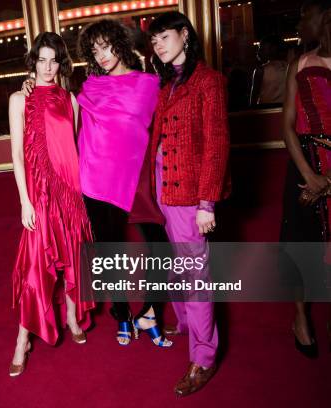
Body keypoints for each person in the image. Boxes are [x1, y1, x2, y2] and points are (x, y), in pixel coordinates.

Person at [23, 18, 173, 350]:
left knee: (163, 249)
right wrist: (29, 85)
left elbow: (161, 132)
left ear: (120, 43)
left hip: (134, 181)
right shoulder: (89, 87)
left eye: (106, 46)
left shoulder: (148, 84)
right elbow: (56, 105)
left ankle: (149, 312)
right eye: (95, 50)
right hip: (94, 180)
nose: (102, 55)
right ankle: (122, 315)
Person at [148, 11, 231, 396]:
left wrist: (206, 203)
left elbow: (216, 146)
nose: (159, 45)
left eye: (165, 36)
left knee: (195, 275)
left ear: (185, 34)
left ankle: (203, 357)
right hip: (164, 192)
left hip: (190, 197)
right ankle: (184, 324)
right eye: (154, 41)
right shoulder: (166, 85)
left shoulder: (209, 81)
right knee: (179, 268)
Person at [8, 32, 94, 377]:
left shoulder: (69, 99)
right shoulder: (19, 98)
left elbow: (70, 148)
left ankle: (72, 317)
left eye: (53, 60)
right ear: (33, 62)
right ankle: (21, 340)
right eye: (40, 60)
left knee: (73, 255)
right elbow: (15, 154)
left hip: (68, 192)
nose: (47, 67)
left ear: (61, 63)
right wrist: (24, 201)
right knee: (34, 264)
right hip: (38, 194)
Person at [280, 0, 331, 359]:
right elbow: (286, 125)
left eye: (305, 13)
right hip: (304, 164)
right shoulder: (299, 61)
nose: (300, 20)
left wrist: (328, 180)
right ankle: (301, 319)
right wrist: (311, 176)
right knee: (299, 244)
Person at [250, 35, 288, 106]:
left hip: (265, 112)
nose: (258, 52)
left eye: (261, 48)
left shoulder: (260, 70)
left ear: (273, 49)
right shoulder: (289, 66)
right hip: (285, 109)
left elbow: (253, 98)